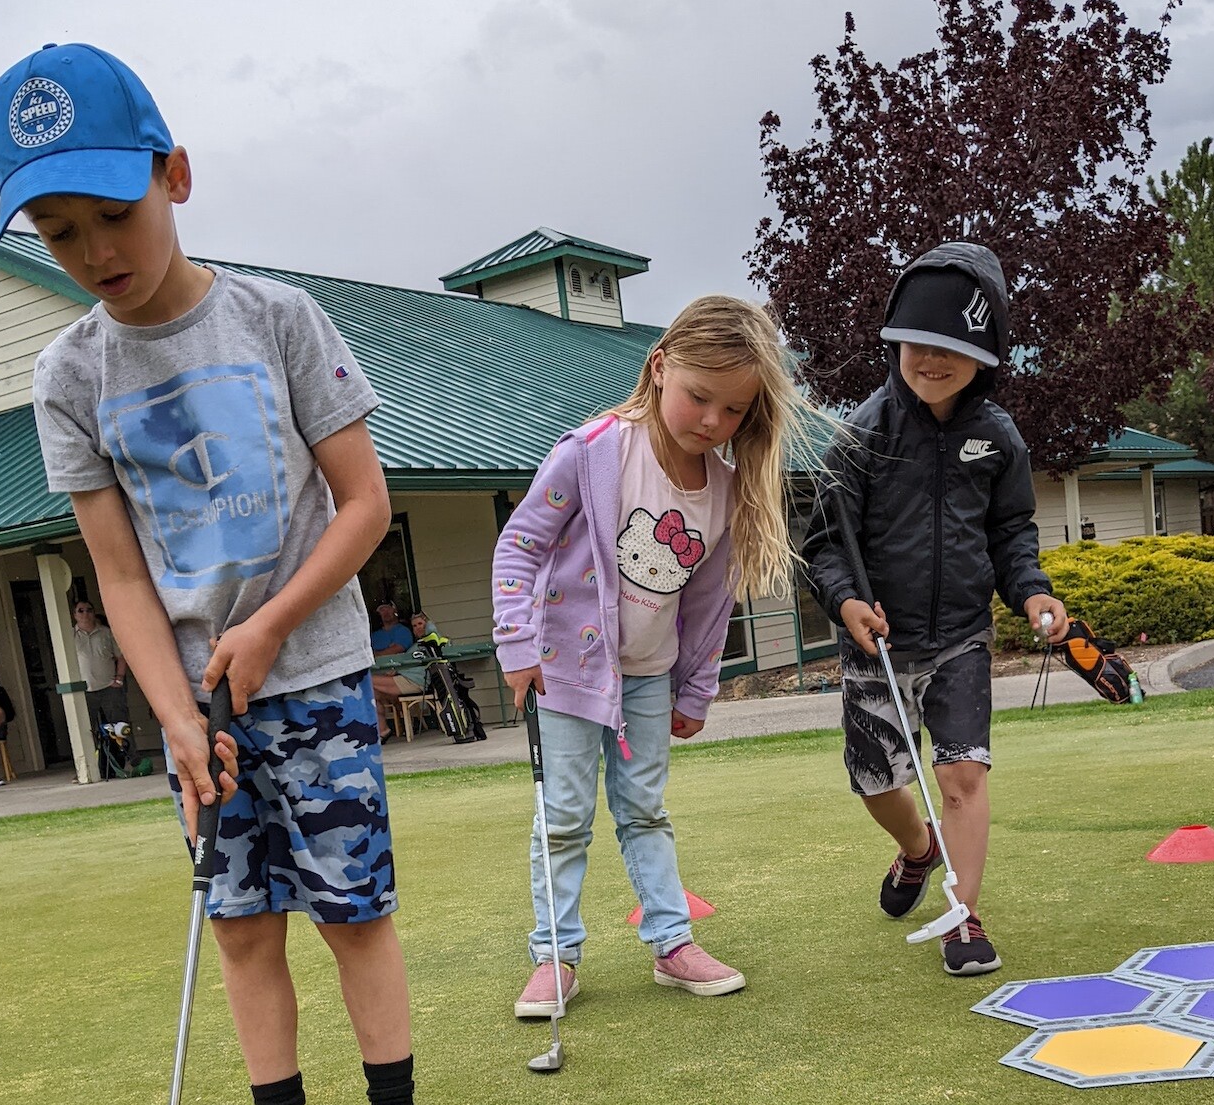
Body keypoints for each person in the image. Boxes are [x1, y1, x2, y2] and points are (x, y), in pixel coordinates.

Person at [0, 41, 447, 1105]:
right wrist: (179, 718)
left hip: (316, 675)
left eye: (113, 212)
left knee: (354, 912)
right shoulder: (65, 374)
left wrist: (268, 624)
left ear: (175, 174)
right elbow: (122, 574)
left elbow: (364, 506)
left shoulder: (277, 319)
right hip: (196, 710)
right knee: (241, 925)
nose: (96, 252)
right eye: (57, 230)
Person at [492, 295, 813, 1017]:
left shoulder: (724, 490)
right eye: (700, 397)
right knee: (565, 816)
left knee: (644, 813)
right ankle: (555, 957)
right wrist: (515, 642)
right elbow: (520, 544)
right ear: (661, 366)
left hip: (646, 681)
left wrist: (694, 691)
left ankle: (673, 944)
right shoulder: (594, 451)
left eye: (732, 412)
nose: (712, 422)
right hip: (566, 673)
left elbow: (707, 609)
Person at [803, 241, 1069, 978]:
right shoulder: (861, 436)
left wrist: (1033, 591)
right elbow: (823, 542)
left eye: (952, 347)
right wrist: (848, 600)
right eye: (917, 343)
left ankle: (964, 913)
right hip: (877, 644)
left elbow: (1012, 533)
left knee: (963, 776)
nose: (931, 359)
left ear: (985, 355)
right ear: (897, 341)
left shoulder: (998, 438)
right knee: (877, 782)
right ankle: (919, 851)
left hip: (960, 638)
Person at [72, 597, 139, 767]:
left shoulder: (106, 633)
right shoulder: (70, 636)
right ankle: (89, 767)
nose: (85, 613)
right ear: (74, 615)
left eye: (89, 610)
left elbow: (121, 657)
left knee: (121, 725)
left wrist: (119, 679)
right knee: (86, 730)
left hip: (109, 687)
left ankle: (133, 760)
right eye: (81, 610)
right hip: (84, 691)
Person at [370, 600, 434, 735]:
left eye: (420, 624)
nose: (417, 628)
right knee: (372, 693)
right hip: (397, 676)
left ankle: (404, 724)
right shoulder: (418, 644)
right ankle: (384, 730)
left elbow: (398, 650)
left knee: (365, 681)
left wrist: (380, 654)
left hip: (414, 680)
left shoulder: (430, 641)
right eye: (415, 626)